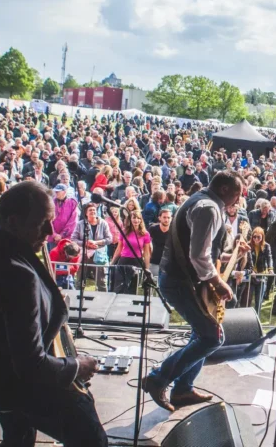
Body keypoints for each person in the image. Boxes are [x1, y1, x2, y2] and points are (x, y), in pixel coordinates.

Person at [0, 181, 106, 446]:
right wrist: (76, 366)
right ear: (13, 222)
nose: (50, 231)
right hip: (21, 386)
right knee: (91, 437)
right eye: (42, 222)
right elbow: (30, 364)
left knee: (18, 438)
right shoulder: (18, 272)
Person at [142, 170, 242, 412]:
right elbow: (199, 256)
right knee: (212, 337)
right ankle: (158, 379)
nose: (239, 199)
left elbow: (199, 248)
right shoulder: (208, 208)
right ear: (225, 189)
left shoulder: (198, 198)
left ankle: (183, 389)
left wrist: (231, 254)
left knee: (201, 334)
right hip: (180, 282)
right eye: (238, 193)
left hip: (178, 278)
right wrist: (219, 283)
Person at [71, 203, 112, 291]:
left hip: (99, 255)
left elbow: (109, 239)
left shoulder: (103, 223)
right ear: (86, 213)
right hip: (84, 255)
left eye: (94, 210)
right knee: (80, 281)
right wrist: (86, 243)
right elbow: (73, 239)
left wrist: (96, 242)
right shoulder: (80, 224)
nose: (93, 211)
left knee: (101, 282)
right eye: (90, 210)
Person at [110, 210, 152, 294]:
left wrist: (147, 268)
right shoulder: (124, 231)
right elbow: (119, 248)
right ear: (130, 219)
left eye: (138, 218)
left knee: (132, 287)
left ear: (141, 220)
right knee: (119, 287)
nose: (136, 220)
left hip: (137, 262)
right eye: (134, 218)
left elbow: (147, 253)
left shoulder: (145, 234)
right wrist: (112, 262)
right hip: (124, 261)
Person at [148, 208, 172, 281]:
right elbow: (147, 244)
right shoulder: (153, 229)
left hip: (168, 263)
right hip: (154, 261)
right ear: (159, 218)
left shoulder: (173, 230)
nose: (166, 220)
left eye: (168, 217)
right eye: (164, 217)